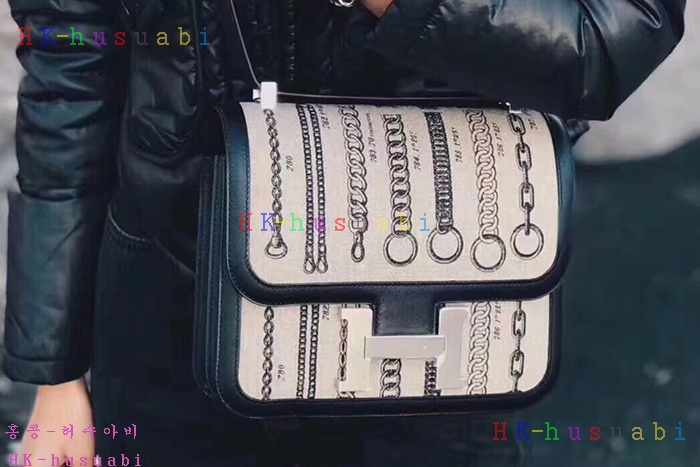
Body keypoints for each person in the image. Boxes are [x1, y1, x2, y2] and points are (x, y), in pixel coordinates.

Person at [3, 0, 686, 465]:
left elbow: (615, 33)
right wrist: (56, 374)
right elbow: (71, 73)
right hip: (172, 330)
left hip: (436, 333)